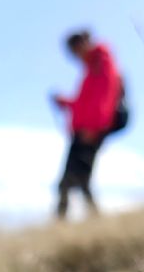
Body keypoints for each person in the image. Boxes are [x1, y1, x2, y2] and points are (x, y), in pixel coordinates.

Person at [51, 31, 124, 219]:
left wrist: (95, 128)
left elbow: (106, 96)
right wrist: (64, 103)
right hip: (83, 130)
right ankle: (88, 219)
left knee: (72, 180)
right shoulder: (91, 69)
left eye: (76, 49)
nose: (76, 55)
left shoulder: (102, 61)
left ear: (84, 42)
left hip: (90, 131)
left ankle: (61, 223)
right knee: (78, 180)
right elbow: (84, 104)